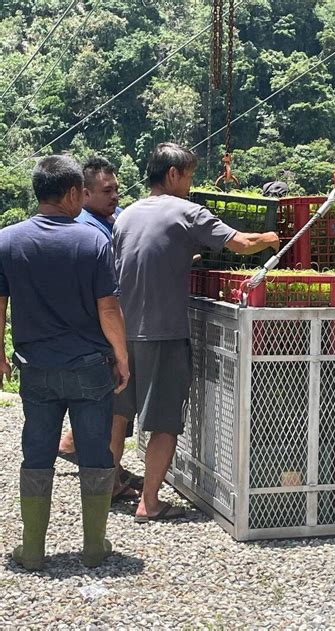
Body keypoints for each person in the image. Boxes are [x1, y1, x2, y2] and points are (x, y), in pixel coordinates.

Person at [113, 142, 280, 522]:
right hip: (163, 332)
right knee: (165, 420)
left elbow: (137, 259)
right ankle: (149, 502)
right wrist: (271, 238)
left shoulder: (128, 214)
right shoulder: (188, 212)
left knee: (118, 413)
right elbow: (241, 243)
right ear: (173, 174)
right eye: (188, 176)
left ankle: (108, 484)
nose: (191, 184)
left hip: (123, 331)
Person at [0, 155, 129, 570]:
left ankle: (33, 550)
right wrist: (123, 358)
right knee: (95, 453)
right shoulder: (93, 242)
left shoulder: (8, 241)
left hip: (35, 368)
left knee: (37, 452)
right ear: (74, 192)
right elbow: (108, 309)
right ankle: (94, 547)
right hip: (90, 368)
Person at [57, 157, 141, 501]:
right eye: (107, 191)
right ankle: (107, 475)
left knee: (108, 402)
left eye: (117, 189)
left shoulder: (112, 219)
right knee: (109, 402)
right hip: (98, 327)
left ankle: (75, 445)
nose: (115, 196)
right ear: (84, 193)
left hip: (105, 323)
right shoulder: (89, 231)